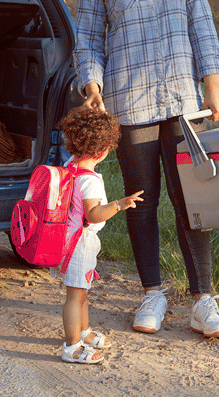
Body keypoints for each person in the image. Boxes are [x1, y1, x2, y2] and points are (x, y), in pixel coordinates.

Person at [72, 0, 219, 339]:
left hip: (184, 101)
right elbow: (87, 44)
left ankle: (204, 300)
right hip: (129, 104)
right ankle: (152, 293)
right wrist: (93, 89)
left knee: (193, 201)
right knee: (141, 201)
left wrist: (213, 82)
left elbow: (201, 23)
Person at [53, 106, 144, 364]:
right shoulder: (90, 180)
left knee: (81, 291)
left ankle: (82, 331)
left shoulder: (70, 166)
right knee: (75, 295)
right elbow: (93, 214)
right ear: (103, 150)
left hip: (69, 240)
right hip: (78, 244)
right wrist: (118, 204)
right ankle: (72, 346)